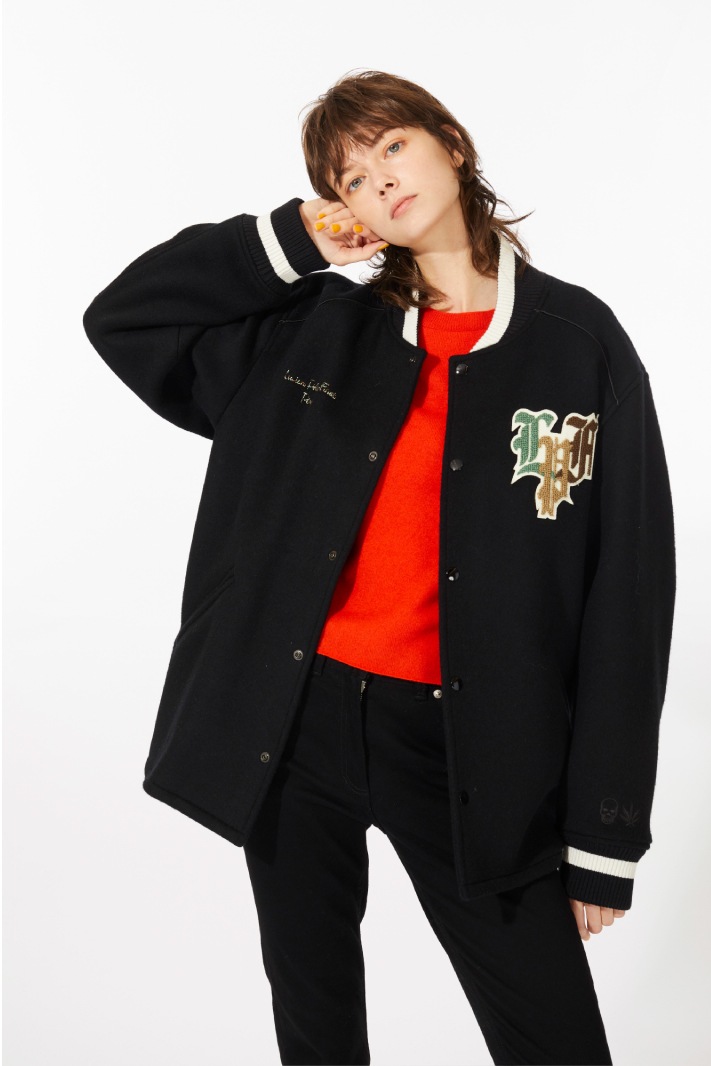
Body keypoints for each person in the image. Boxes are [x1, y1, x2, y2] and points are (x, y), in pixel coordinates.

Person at [83, 70, 676, 1065]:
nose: (380, 180)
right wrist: (290, 243)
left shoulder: (579, 347)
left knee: (556, 1039)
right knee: (316, 1025)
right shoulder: (314, 332)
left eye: (392, 146)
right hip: (294, 720)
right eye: (351, 177)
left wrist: (604, 833)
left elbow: (629, 592)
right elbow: (125, 318)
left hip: (470, 745)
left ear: (450, 141)